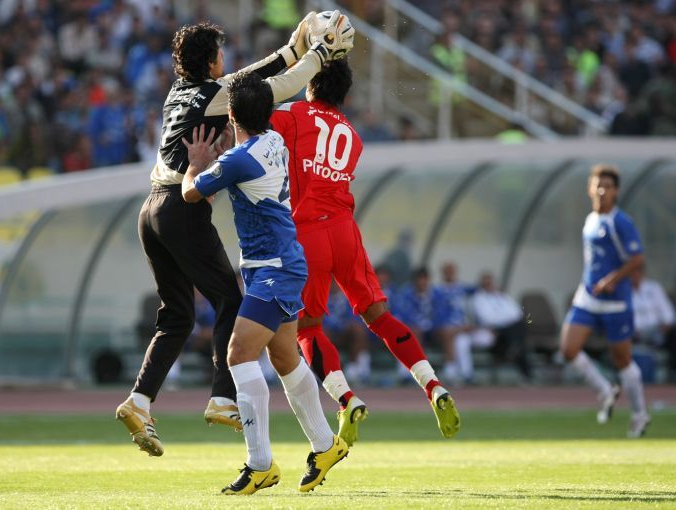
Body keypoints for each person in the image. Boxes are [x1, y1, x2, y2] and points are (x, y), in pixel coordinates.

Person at [115, 12, 344, 457]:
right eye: (220, 53)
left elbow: (249, 79)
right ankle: (223, 398)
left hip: (151, 211)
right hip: (182, 206)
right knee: (230, 302)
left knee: (177, 316)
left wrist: (294, 46)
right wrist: (319, 54)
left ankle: (139, 401)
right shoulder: (221, 98)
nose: (224, 60)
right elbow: (273, 87)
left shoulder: (178, 92)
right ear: (211, 60)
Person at [269, 58, 460, 446]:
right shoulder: (353, 134)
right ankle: (433, 385)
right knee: (379, 316)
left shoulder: (293, 114)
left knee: (308, 328)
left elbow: (254, 120)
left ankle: (346, 399)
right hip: (344, 230)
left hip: (306, 232)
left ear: (310, 83)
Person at [182, 70, 349, 495]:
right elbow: (244, 159)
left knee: (238, 354)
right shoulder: (273, 140)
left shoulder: (238, 159)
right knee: (285, 357)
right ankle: (326, 445)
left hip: (274, 268)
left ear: (232, 114)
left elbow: (190, 193)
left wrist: (198, 162)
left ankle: (260, 465)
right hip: (278, 264)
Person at [560, 163, 650, 438]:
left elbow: (637, 258)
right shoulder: (590, 219)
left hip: (616, 302)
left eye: (608, 187)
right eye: (598, 185)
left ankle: (639, 414)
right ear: (590, 189)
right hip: (588, 297)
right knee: (568, 348)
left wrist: (613, 279)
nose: (602, 191)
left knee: (622, 360)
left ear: (616, 192)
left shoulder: (621, 222)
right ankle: (605, 390)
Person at [471, 271, 533, 381]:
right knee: (519, 336)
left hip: (511, 328)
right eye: (486, 284)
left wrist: (504, 319)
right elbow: (487, 318)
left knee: (523, 325)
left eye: (490, 283)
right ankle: (526, 372)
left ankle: (514, 348)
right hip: (496, 330)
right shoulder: (478, 299)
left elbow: (517, 313)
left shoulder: (503, 296)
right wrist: (506, 319)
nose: (489, 286)